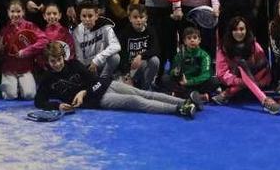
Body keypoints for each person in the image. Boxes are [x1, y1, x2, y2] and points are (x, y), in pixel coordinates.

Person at [34, 42, 198, 119]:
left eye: (59, 59)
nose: (57, 64)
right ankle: (179, 109)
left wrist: (83, 92)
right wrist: (58, 105)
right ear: (47, 62)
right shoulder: (48, 79)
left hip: (104, 85)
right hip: (98, 99)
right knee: (135, 100)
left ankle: (185, 101)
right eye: (53, 61)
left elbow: (93, 80)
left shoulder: (74, 64)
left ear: (63, 57)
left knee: (143, 93)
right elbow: (38, 101)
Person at [214, 17, 280, 114]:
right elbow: (222, 74)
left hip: (254, 86)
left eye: (241, 29)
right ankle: (265, 100)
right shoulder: (223, 48)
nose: (239, 32)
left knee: (258, 63)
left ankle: (227, 94)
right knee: (242, 64)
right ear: (230, 31)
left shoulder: (254, 45)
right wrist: (240, 81)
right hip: (235, 84)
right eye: (235, 29)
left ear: (246, 30)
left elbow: (265, 67)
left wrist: (260, 83)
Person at [0, 0, 47, 100]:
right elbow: (0, 53)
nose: (15, 14)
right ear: (8, 12)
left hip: (26, 69)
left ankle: (22, 85)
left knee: (30, 95)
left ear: (23, 12)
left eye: (18, 11)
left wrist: (26, 51)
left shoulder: (30, 26)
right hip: (9, 69)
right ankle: (14, 86)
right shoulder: (4, 30)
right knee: (10, 96)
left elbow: (44, 40)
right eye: (12, 11)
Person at [165, 26, 221, 102]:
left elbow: (205, 75)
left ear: (199, 40)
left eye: (195, 38)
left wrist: (189, 82)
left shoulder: (204, 55)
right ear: (184, 41)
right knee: (165, 78)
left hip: (197, 83)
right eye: (189, 38)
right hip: (183, 83)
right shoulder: (180, 55)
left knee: (215, 81)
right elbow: (171, 72)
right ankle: (200, 96)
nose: (192, 40)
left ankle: (180, 95)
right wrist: (175, 72)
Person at [117, 3, 161, 90]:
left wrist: (141, 56)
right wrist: (126, 75)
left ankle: (145, 87)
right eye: (135, 17)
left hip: (143, 66)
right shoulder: (125, 32)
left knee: (155, 60)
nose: (138, 20)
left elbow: (156, 49)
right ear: (130, 18)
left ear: (146, 18)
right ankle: (133, 83)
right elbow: (122, 54)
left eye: (141, 17)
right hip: (129, 68)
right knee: (124, 90)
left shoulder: (150, 30)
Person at [73, 0, 121, 77]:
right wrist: (85, 71)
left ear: (96, 15)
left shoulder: (105, 25)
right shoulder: (77, 31)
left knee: (115, 57)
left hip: (102, 63)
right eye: (84, 16)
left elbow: (116, 45)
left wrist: (97, 60)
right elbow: (79, 58)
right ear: (80, 16)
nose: (87, 19)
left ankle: (103, 79)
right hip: (88, 67)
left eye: (90, 16)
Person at [38, 3, 77, 72]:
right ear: (44, 16)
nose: (52, 16)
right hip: (49, 69)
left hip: (65, 67)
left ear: (60, 15)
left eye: (55, 13)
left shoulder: (65, 32)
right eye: (49, 14)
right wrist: (45, 66)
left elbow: (71, 50)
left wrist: (65, 63)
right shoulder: (41, 34)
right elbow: (40, 53)